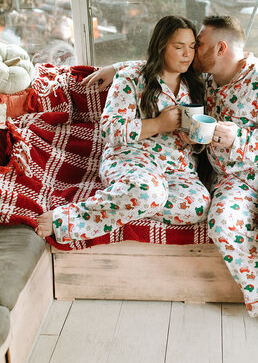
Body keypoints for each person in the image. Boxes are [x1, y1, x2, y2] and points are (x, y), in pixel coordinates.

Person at [74, 15, 258, 350]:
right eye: (187, 46)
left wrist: (236, 138)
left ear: (220, 48)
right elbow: (161, 63)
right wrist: (115, 66)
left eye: (199, 45)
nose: (192, 52)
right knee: (221, 223)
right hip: (235, 176)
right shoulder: (204, 80)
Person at [36, 15, 210, 243]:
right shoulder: (131, 78)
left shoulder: (195, 85)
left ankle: (128, 204)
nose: (187, 54)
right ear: (161, 46)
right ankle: (66, 218)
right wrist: (157, 124)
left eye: (191, 47)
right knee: (148, 192)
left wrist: (195, 141)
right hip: (133, 159)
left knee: (198, 207)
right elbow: (110, 129)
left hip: (177, 168)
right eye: (179, 47)